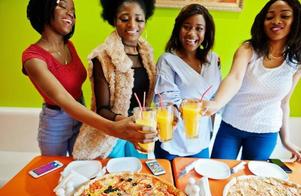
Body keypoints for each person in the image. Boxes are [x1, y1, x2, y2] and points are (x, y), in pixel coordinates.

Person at [22, 0, 156, 156]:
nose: (70, 13)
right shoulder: (33, 58)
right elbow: (63, 98)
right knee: (54, 169)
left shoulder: (68, 46)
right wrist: (115, 127)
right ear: (44, 8)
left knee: (80, 165)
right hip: (56, 120)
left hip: (81, 116)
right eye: (63, 6)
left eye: (73, 10)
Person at [203, 0, 301, 161]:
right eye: (270, 17)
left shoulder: (296, 61)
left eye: (285, 16)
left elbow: (284, 102)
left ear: (296, 21)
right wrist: (216, 103)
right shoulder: (248, 49)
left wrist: (286, 140)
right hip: (231, 126)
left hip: (266, 132)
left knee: (252, 179)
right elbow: (235, 78)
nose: (276, 21)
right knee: (219, 171)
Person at [72, 0, 157, 159]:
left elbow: (147, 102)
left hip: (139, 129)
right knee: (114, 178)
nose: (132, 25)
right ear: (113, 19)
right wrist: (126, 123)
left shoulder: (147, 55)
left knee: (139, 176)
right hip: (112, 132)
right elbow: (102, 109)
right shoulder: (102, 57)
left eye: (139, 19)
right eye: (124, 19)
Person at [153, 4, 221, 160]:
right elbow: (166, 99)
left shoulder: (213, 59)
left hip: (201, 138)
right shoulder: (167, 59)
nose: (192, 33)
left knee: (199, 181)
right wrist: (182, 108)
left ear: (206, 32)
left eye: (199, 28)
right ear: (178, 29)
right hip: (173, 138)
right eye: (187, 27)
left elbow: (215, 97)